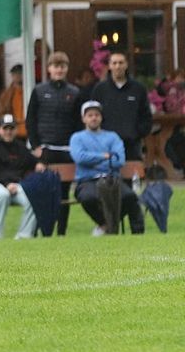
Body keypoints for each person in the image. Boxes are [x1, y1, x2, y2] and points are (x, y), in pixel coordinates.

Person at [25, 51, 82, 235]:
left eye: (62, 66)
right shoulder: (39, 91)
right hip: (46, 149)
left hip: (66, 149)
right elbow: (30, 120)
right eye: (55, 66)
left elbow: (78, 123)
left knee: (64, 193)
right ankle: (43, 229)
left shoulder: (74, 92)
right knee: (44, 190)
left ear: (66, 69)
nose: (59, 70)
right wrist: (35, 146)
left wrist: (76, 146)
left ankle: (62, 230)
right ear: (49, 68)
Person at [70, 101, 145, 236]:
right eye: (90, 115)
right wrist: (104, 156)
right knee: (88, 198)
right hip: (88, 180)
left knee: (129, 196)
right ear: (84, 119)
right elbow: (80, 158)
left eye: (97, 115)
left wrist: (92, 161)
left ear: (101, 117)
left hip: (111, 179)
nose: (94, 118)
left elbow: (119, 160)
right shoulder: (77, 138)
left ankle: (138, 233)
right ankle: (105, 225)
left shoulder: (112, 137)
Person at [0, 114, 38, 239]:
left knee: (34, 198)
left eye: (11, 128)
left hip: (16, 186)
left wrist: (40, 162)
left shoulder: (20, 147)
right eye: (5, 128)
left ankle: (24, 235)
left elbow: (32, 161)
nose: (8, 132)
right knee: (2, 195)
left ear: (16, 130)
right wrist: (6, 184)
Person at [90, 51, 152, 161]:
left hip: (132, 145)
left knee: (132, 176)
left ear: (126, 65)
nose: (117, 66)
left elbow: (146, 115)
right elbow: (92, 115)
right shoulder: (100, 89)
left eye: (121, 63)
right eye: (114, 63)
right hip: (106, 144)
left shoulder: (138, 89)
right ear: (109, 66)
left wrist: (137, 133)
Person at [0, 64, 26, 138]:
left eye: (20, 73)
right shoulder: (6, 95)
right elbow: (1, 113)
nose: (18, 76)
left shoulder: (30, 91)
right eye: (15, 73)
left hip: (28, 132)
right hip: (12, 132)